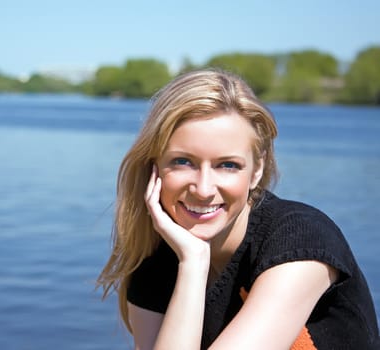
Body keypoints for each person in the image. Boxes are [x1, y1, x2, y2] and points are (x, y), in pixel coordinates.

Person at [97, 69, 379, 349]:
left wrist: (193, 262)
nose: (204, 189)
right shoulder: (158, 263)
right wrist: (193, 263)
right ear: (154, 167)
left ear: (256, 170)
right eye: (183, 161)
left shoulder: (300, 240)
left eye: (228, 165)